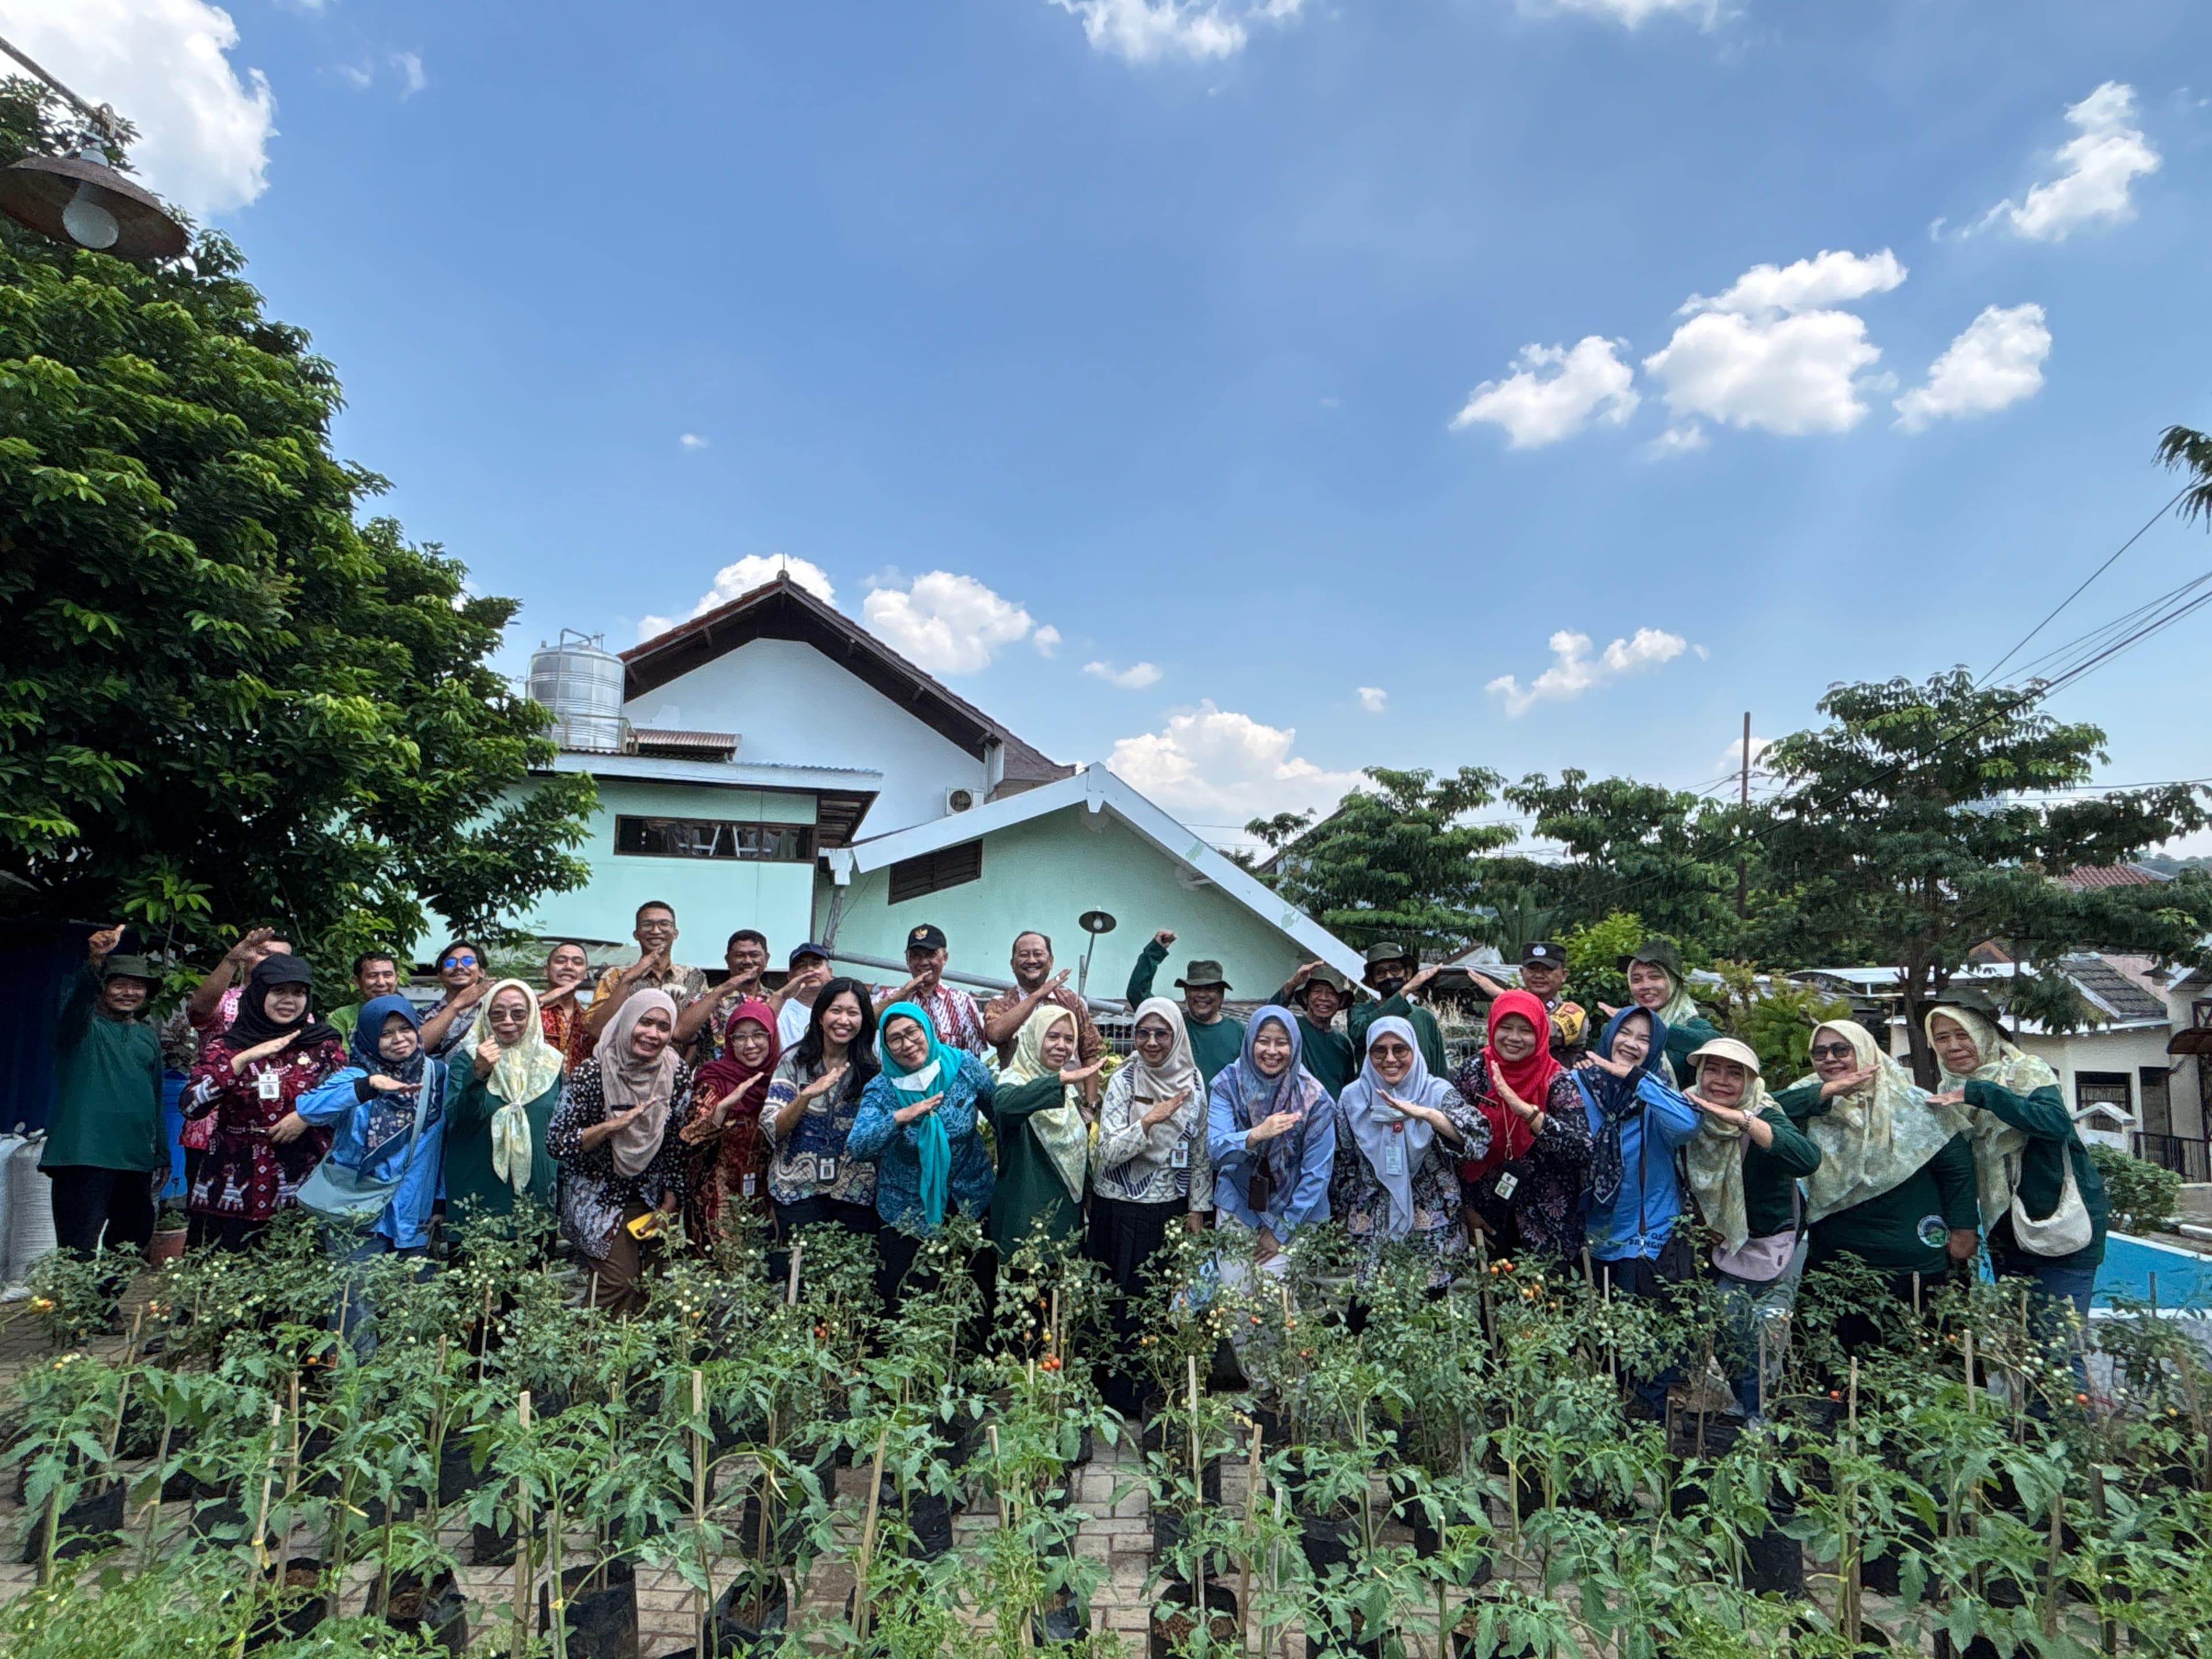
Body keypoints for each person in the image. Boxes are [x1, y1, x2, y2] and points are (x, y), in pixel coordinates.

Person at [1772, 1021, 1978, 1332]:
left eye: (1842, 1050)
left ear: (1866, 1052)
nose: (1830, 1058)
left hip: (1913, 1265)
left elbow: (1957, 1168)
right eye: (1820, 1052)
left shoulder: (1912, 1103)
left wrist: (1964, 1232)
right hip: (1835, 1264)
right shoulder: (1809, 1100)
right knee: (1833, 1372)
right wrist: (1828, 1092)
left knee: (1921, 1365)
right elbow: (1763, 1110)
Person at [1925, 998, 2107, 1338]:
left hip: (2059, 1224)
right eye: (1942, 1038)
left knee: (2059, 1349)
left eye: (1962, 1035)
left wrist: (1983, 1093)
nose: (1953, 1046)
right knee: (2022, 1343)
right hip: (2006, 1233)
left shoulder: (2025, 1070)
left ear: (1983, 1034)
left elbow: (2054, 1123)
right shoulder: (1949, 1090)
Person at [292, 995, 450, 1350]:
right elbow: (308, 1109)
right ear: (367, 1039)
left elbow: (440, 1145)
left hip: (413, 1215)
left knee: (415, 1312)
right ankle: (356, 1391)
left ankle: (406, 1393)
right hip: (357, 1214)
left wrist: (440, 1201)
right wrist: (369, 1086)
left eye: (405, 1029)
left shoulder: (436, 1075)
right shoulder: (353, 1076)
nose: (399, 1039)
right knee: (354, 1309)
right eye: (386, 1034)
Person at [1680, 1037, 1823, 1419]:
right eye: (1712, 1069)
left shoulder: (1765, 1112)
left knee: (1734, 1320)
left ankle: (1757, 1412)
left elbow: (1806, 1159)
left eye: (1734, 1073)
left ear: (1750, 1080)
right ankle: (1741, 1403)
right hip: (1703, 1241)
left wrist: (1744, 1122)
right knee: (1708, 1324)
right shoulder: (1687, 1106)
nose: (1721, 1081)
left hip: (1757, 1240)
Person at [1090, 997, 1211, 1411]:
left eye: (1162, 1033)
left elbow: (1199, 1151)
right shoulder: (1124, 1079)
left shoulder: (1193, 1083)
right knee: (1117, 1302)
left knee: (1157, 1303)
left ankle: (1150, 1396)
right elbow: (1106, 1153)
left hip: (1167, 1210)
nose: (1152, 1042)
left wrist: (1198, 1209)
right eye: (1143, 1032)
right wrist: (1148, 1122)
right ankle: (1111, 1399)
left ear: (1177, 1034)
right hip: (1119, 1207)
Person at [548, 990, 696, 1315]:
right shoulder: (593, 1073)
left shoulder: (675, 1073)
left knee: (649, 1287)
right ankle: (586, 1357)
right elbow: (557, 1142)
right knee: (617, 1283)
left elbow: (675, 1143)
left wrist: (671, 1201)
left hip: (651, 1199)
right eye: (645, 1022)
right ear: (628, 1020)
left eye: (662, 1026)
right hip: (599, 1197)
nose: (652, 1034)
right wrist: (608, 1129)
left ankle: (634, 1366)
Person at [182, 956, 345, 1250]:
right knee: (228, 1275)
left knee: (298, 1270)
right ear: (258, 994)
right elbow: (192, 1106)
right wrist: (242, 1060)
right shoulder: (227, 1046)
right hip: (232, 1176)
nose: (289, 1000)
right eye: (279, 991)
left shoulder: (323, 1044)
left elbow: (346, 1096)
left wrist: (306, 1116)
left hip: (301, 1176)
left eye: (298, 992)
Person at [44, 927, 164, 1261]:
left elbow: (155, 1096)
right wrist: (95, 961)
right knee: (77, 1247)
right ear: (103, 988)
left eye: (137, 986)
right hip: (85, 1154)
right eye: (119, 984)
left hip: (135, 1155)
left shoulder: (146, 1037)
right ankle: (79, 1312)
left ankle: (104, 1307)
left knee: (134, 1238)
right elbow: (76, 999)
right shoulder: (81, 1028)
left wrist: (162, 1154)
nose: (129, 993)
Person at [1332, 1016, 1482, 1278]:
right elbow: (1343, 1162)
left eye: (1400, 1049)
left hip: (1432, 1224)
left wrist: (1427, 1114)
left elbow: (1478, 1140)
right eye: (1380, 1050)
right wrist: (1343, 1218)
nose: (1390, 1059)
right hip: (1371, 1222)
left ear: (1414, 1049)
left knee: (1428, 1312)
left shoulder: (1437, 1092)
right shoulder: (1352, 1098)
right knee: (1368, 1308)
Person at [1452, 989, 1593, 1264]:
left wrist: (1528, 1112)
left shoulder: (1557, 1080)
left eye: (1526, 1031)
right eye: (1505, 1028)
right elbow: (1456, 1147)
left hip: (1548, 1219)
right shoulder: (1474, 1072)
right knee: (1492, 1299)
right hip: (1487, 1214)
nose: (1514, 1038)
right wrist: (1466, 1209)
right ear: (1492, 1027)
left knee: (1548, 1301)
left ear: (1541, 1033)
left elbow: (1583, 1150)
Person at [1577, 1007, 1702, 1298]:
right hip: (1592, 1230)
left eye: (1644, 1039)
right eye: (1624, 1032)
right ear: (1610, 1035)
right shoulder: (1580, 1083)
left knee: (1641, 1334)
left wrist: (1638, 1079)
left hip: (1648, 1236)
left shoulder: (1657, 1091)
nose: (1631, 1044)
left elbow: (1688, 1125)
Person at [1207, 1006, 1335, 1286]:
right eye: (1263, 1041)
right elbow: (1216, 1150)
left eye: (1282, 1042)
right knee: (1235, 1299)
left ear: (1295, 1045)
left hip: (1296, 1208)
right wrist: (1255, 1135)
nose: (1272, 1051)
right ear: (1250, 1040)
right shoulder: (1228, 1085)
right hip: (1238, 1202)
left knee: (1276, 1302)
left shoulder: (1315, 1098)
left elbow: (1317, 1173)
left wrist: (1280, 1231)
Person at [763, 977, 882, 1242]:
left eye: (853, 1013)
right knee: (800, 1275)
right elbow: (772, 1128)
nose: (844, 1020)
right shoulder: (794, 1062)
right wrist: (805, 1096)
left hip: (855, 1191)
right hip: (796, 1190)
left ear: (863, 1022)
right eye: (836, 1010)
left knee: (851, 1276)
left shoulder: (873, 1070)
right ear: (820, 1016)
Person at [986, 1005, 1105, 1255]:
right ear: (1034, 1038)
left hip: (1066, 1215)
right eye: (1053, 1037)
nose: (1062, 1045)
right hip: (1026, 1218)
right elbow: (1005, 1106)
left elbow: (1078, 1150)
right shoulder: (1014, 1080)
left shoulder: (1070, 1091)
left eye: (1069, 1039)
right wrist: (1057, 1082)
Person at [444, 980, 565, 1221]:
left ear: (532, 1016)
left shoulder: (552, 1063)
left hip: (538, 1196)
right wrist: (478, 1074)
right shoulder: (467, 1060)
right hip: (478, 1195)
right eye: (497, 1014)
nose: (508, 1021)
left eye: (518, 1013)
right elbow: (459, 1120)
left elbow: (559, 1130)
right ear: (486, 1017)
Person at [680, 998, 781, 1245]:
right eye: (739, 1037)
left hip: (767, 1200)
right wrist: (721, 1111)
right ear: (729, 1041)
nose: (750, 1045)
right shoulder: (715, 1080)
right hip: (716, 1202)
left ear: (772, 1037)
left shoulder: (781, 1080)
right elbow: (688, 1139)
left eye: (759, 1035)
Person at [584, 902, 711, 1057]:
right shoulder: (615, 975)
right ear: (636, 934)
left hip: (677, 1072)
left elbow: (698, 1034)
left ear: (675, 933)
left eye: (664, 924)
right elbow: (597, 1029)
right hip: (624, 1070)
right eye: (647, 924)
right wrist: (628, 980)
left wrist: (682, 1072)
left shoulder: (693, 977)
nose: (656, 931)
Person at [1124, 930, 1246, 1086]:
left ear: (1221, 995)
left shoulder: (1238, 1032)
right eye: (1195, 989)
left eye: (1209, 989)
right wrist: (1155, 951)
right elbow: (1137, 994)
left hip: (1224, 1111)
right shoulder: (1174, 1026)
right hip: (1177, 1109)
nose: (1202, 995)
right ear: (1186, 993)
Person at [983, 932, 1105, 1070]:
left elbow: (1090, 1054)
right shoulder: (1000, 1004)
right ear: (1013, 964)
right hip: (1018, 1091)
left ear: (1051, 961)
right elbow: (995, 1035)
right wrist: (1038, 996)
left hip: (1068, 1090)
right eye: (1024, 955)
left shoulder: (1070, 1000)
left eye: (1038, 954)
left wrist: (1089, 1093)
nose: (1032, 960)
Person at [873, 924, 989, 1057]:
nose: (923, 962)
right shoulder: (888, 997)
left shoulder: (963, 1002)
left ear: (945, 958)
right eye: (916, 956)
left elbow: (974, 1059)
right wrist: (901, 995)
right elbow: (865, 1024)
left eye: (930, 955)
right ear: (907, 960)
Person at [1617, 939, 1719, 1084]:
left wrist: (1654, 1029)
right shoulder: (1622, 1026)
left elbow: (1714, 1042)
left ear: (1672, 981)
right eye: (1637, 979)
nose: (1645, 986)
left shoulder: (1693, 1024)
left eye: (1655, 977)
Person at [1468, 942, 1586, 1064]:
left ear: (1564, 975)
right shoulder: (1508, 1007)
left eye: (1548, 970)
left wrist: (1504, 996)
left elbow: (1545, 1033)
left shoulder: (1573, 1012)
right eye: (1532, 969)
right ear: (1522, 972)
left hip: (1555, 1080)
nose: (1539, 975)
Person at [1347, 942, 1449, 1076]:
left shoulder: (1424, 1017)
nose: (1389, 976)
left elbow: (1439, 1069)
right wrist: (1405, 991)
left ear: (1407, 974)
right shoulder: (1361, 1011)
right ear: (1373, 982)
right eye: (1381, 973)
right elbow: (1359, 1034)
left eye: (1394, 969)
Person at [673, 929, 772, 1059]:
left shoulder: (774, 999)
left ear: (767, 958)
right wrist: (723, 990)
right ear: (728, 960)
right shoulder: (708, 998)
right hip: (717, 1078)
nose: (748, 961)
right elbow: (679, 1034)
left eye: (754, 955)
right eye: (740, 955)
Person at [1272, 963, 1358, 1100]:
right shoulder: (1292, 1028)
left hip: (1332, 1117)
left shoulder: (1343, 1043)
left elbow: (1347, 1089)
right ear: (1306, 998)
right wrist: (1293, 984)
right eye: (1317, 991)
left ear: (1340, 1002)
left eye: (1331, 993)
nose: (1324, 998)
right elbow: (1267, 1018)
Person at [416, 938, 493, 1062]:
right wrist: (457, 1004)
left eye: (467, 961)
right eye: (450, 963)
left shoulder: (494, 1009)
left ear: (481, 972)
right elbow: (415, 1049)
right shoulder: (423, 1014)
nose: (459, 967)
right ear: (440, 976)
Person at [537, 941, 595, 1063]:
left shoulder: (590, 1020)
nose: (569, 966)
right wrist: (544, 1000)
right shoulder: (529, 1009)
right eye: (560, 961)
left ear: (585, 974)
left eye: (578, 962)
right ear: (546, 970)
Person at [327, 952, 402, 1041]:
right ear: (357, 981)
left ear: (397, 979)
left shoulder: (411, 1014)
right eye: (373, 976)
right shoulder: (341, 1017)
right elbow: (340, 1054)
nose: (381, 983)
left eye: (387, 975)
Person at [774, 943, 834, 1049]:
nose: (810, 970)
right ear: (790, 977)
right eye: (802, 966)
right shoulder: (780, 1012)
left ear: (830, 972)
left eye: (816, 964)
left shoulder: (842, 1007)